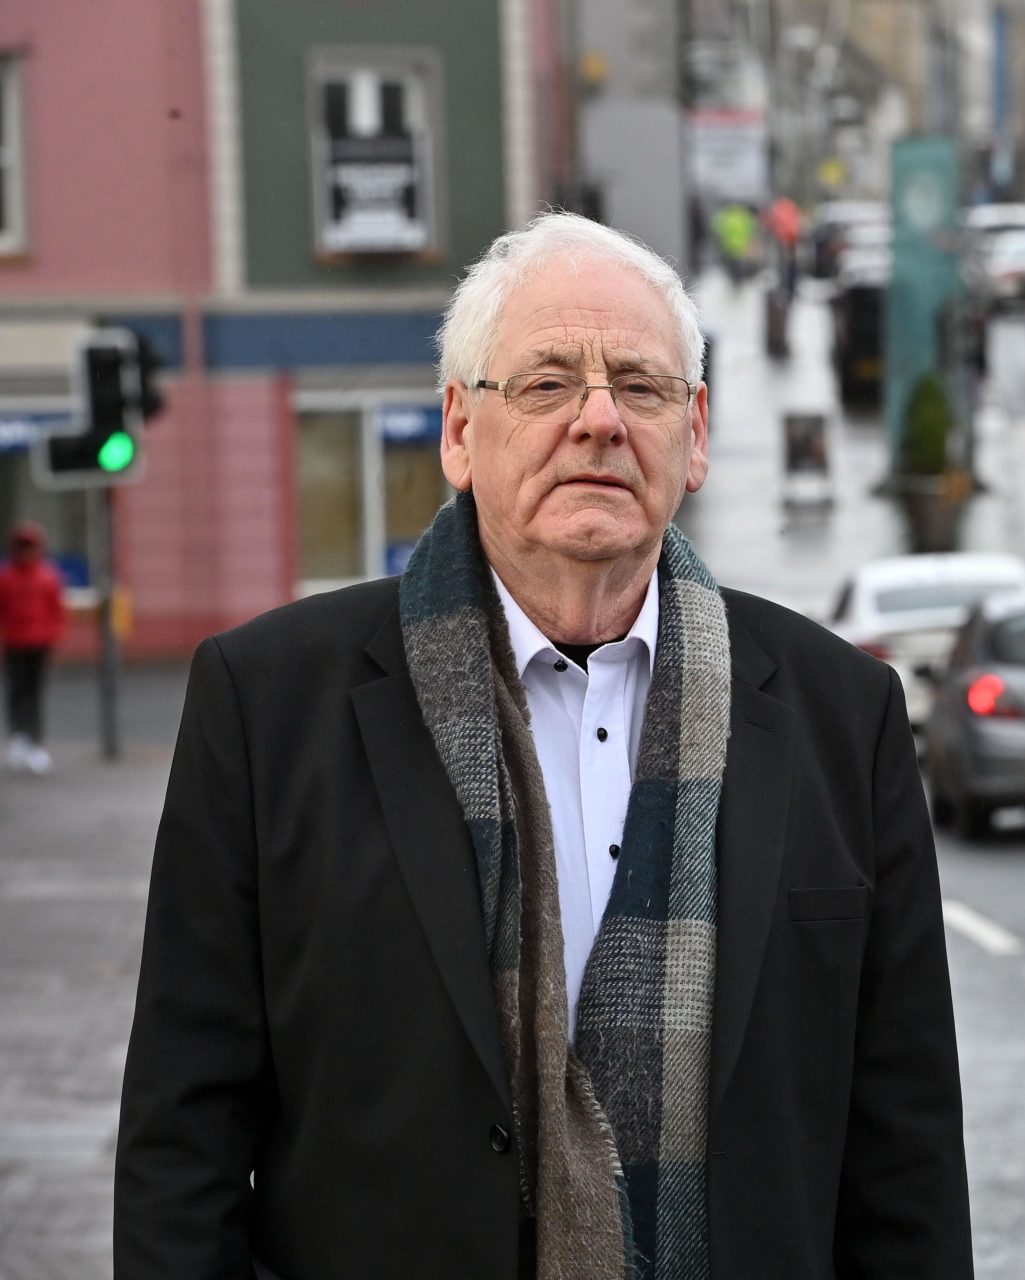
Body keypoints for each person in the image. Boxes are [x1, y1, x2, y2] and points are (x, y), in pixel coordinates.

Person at [115, 213, 973, 1280]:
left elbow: (909, 1162)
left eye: (642, 387)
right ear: (459, 432)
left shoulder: (843, 714)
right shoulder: (266, 705)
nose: (600, 420)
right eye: (547, 383)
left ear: (695, 434)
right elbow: (179, 1150)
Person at [1, 520, 66, 775]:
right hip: (15, 644)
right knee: (16, 692)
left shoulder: (47, 576)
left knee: (35, 694)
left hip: (39, 645)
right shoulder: (6, 577)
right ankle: (18, 737)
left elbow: (56, 612)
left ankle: (36, 741)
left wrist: (52, 637)